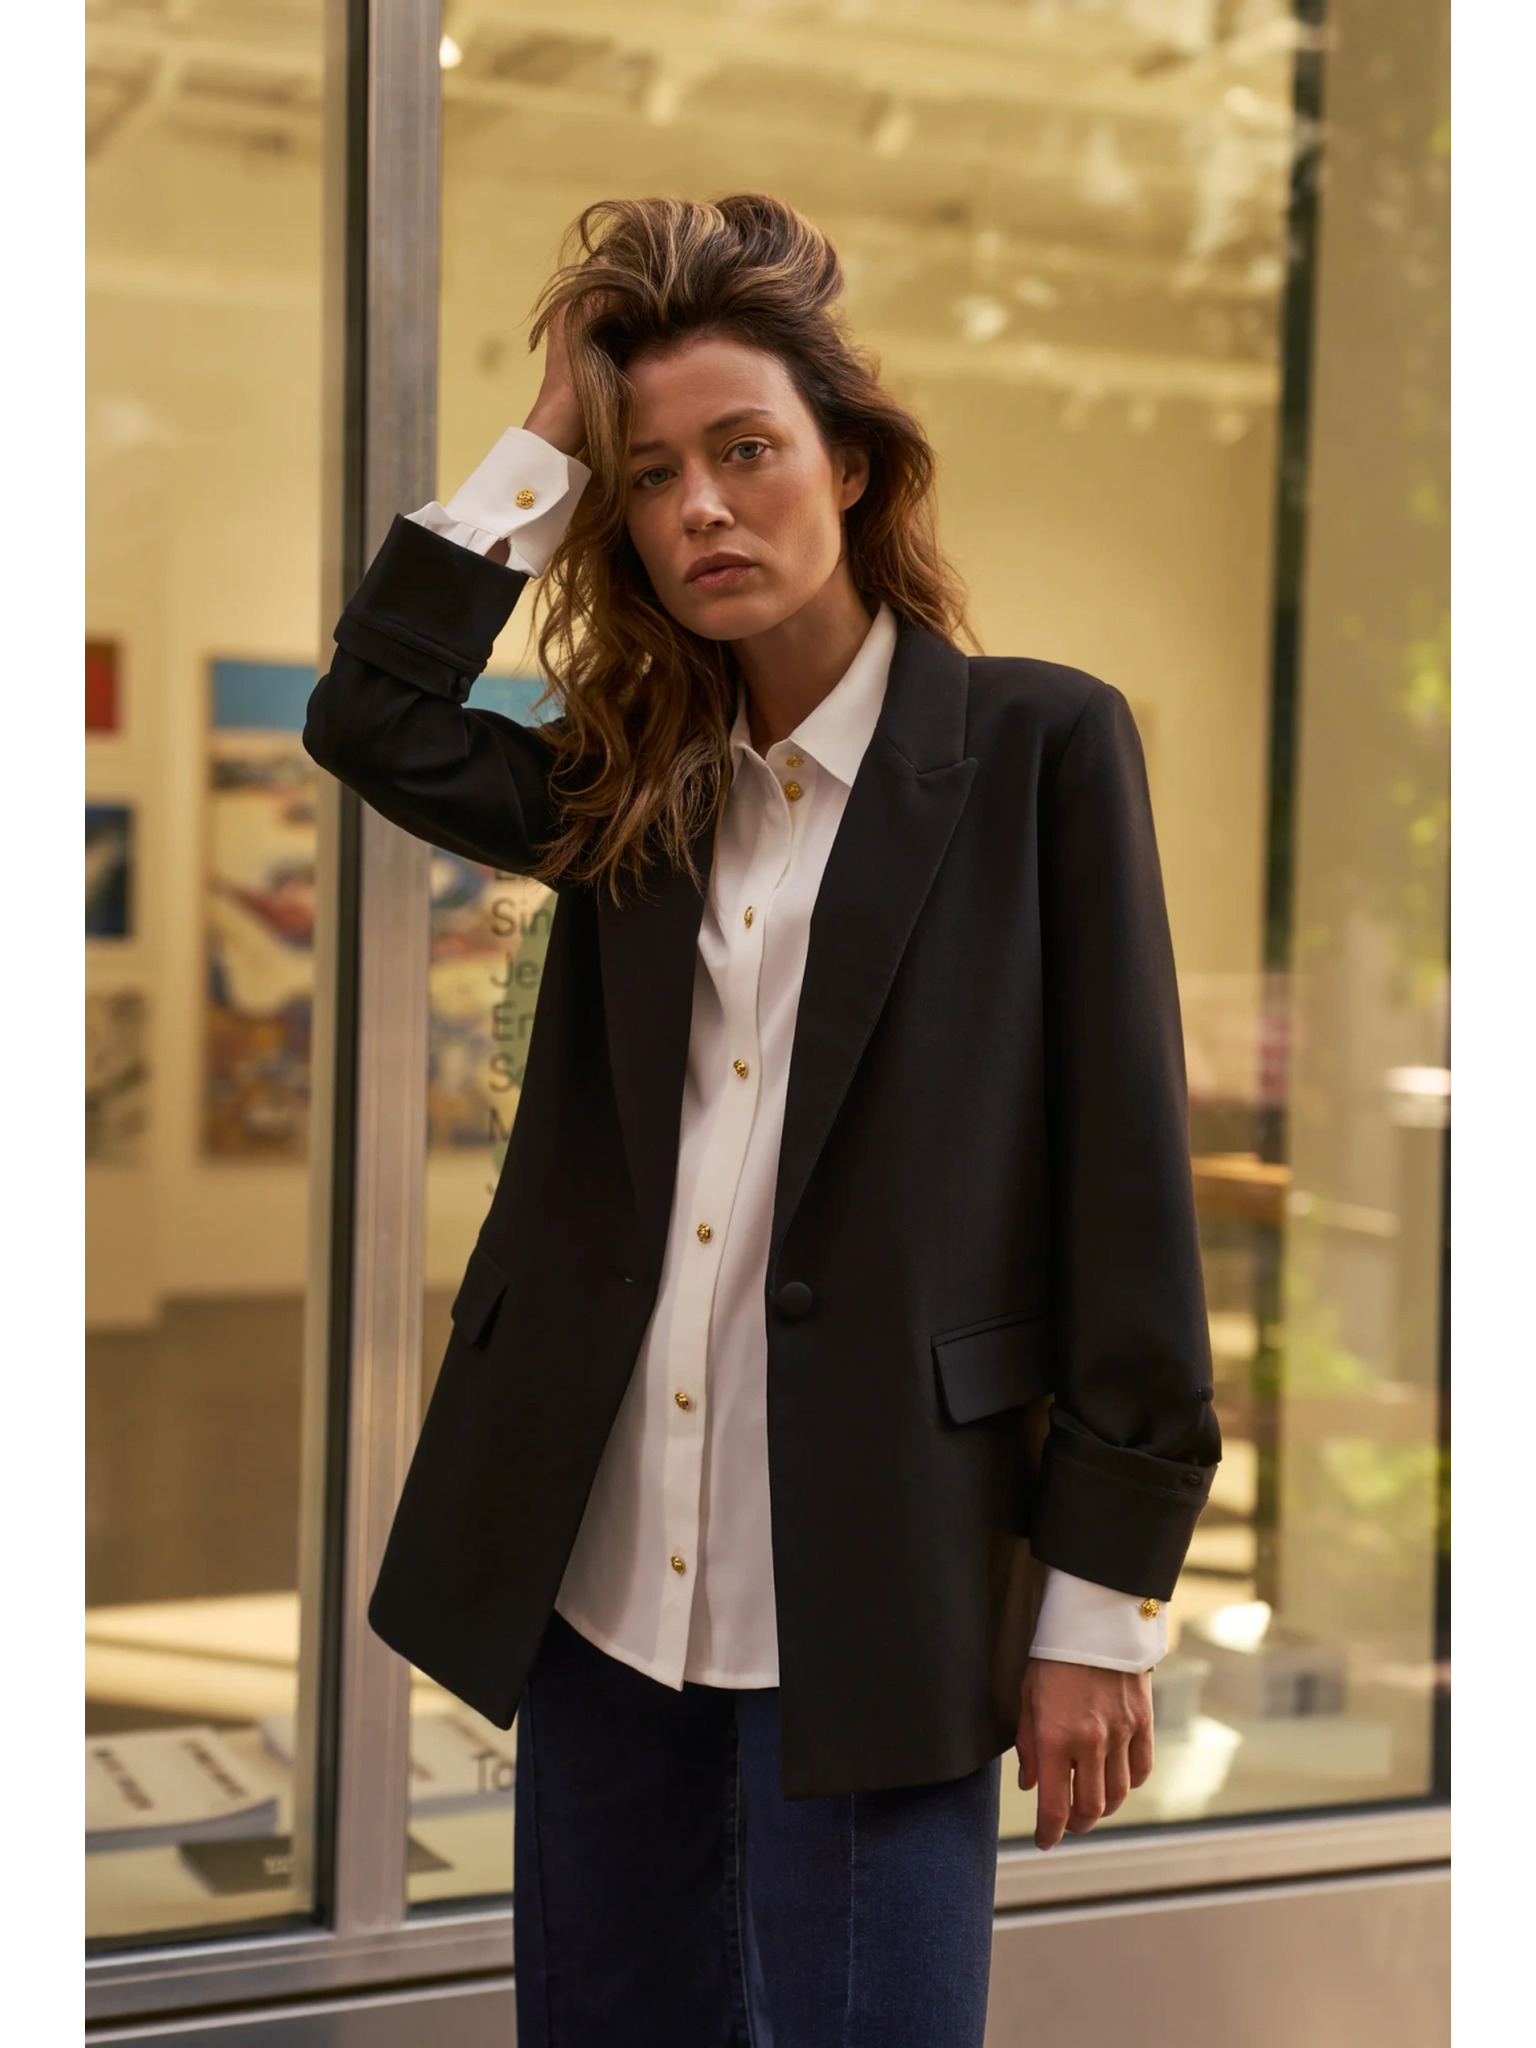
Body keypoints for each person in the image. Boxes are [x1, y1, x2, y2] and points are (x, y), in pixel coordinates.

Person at [304, 193, 1220, 2048]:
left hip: (880, 1579)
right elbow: (372, 719)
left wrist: (1099, 1601)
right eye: (654, 478)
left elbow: (1128, 1189)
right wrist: (546, 446)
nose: (702, 509)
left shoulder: (1038, 749)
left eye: (746, 452)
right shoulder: (631, 784)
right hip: (604, 1577)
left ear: (853, 469)